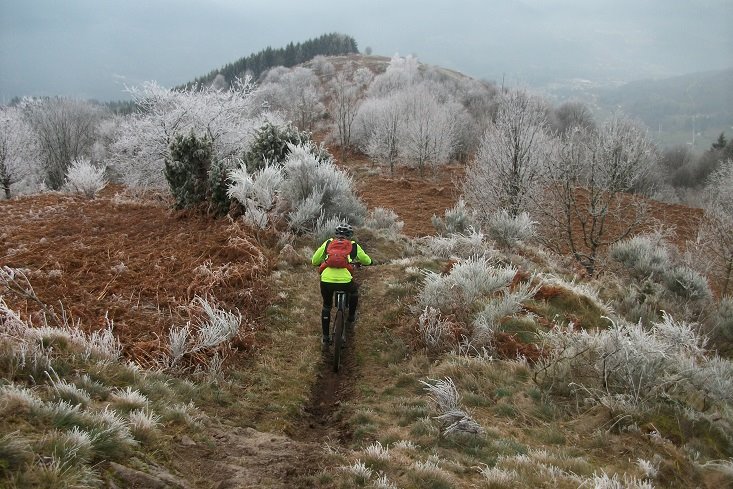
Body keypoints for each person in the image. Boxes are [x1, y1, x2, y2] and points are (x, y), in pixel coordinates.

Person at [311, 223, 372, 346]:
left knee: (327, 306)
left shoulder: (328, 243)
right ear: (350, 236)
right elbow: (367, 260)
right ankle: (350, 317)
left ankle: (325, 337)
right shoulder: (353, 245)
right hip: (345, 281)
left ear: (336, 234)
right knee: (354, 291)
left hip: (326, 280)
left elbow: (314, 261)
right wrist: (368, 263)